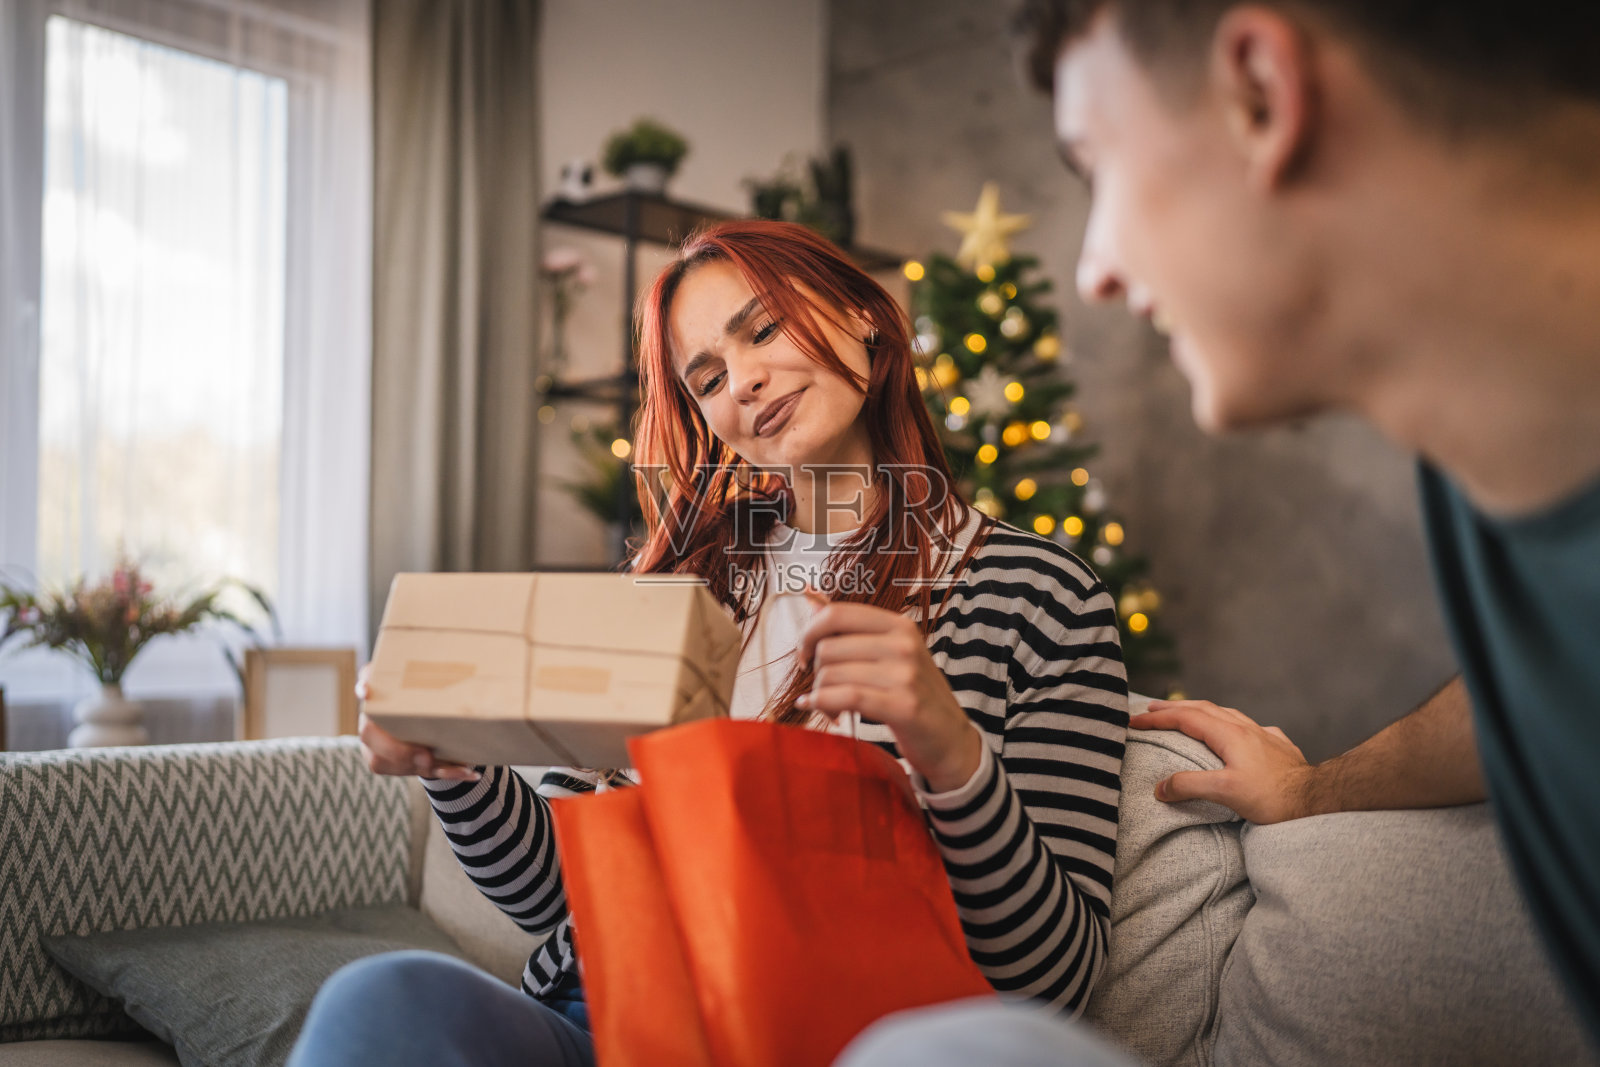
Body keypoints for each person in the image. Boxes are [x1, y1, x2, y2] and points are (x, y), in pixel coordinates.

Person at [837, 0, 1600, 1062]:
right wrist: (1312, 790)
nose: (1096, 269)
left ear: (1260, 93)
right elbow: (1525, 689)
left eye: (1096, 165)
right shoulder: (1495, 462)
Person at [286, 219, 1130, 1066]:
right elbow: (557, 897)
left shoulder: (1040, 593)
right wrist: (456, 766)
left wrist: (955, 758)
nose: (747, 382)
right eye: (709, 377)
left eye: (763, 328)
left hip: (858, 1039)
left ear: (863, 315)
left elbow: (1049, 985)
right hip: (610, 1021)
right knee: (382, 997)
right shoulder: (668, 591)